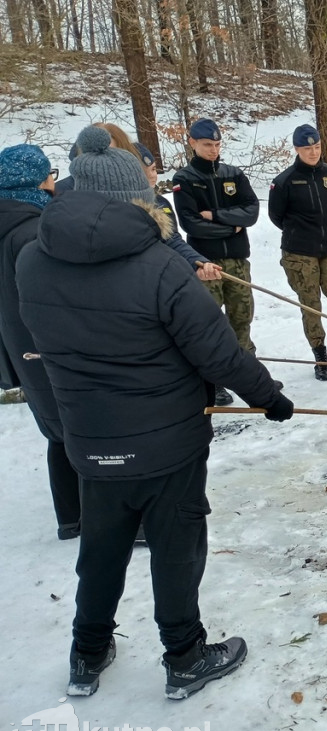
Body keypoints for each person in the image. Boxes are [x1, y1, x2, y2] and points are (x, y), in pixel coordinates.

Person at [16, 126, 295, 699]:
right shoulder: (161, 268)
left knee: (102, 547)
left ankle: (86, 653)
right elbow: (219, 352)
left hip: (89, 439)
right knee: (175, 547)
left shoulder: (32, 263)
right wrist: (270, 397)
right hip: (167, 443)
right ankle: (186, 654)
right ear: (135, 203)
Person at [0, 143, 81, 540]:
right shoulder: (33, 230)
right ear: (35, 180)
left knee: (57, 430)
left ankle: (70, 517)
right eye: (49, 173)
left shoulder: (8, 224)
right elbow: (55, 298)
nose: (54, 180)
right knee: (81, 429)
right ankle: (96, 517)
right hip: (52, 347)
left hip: (20, 348)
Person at [172, 118, 261, 406]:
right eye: (207, 145)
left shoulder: (232, 174)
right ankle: (214, 381)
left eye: (217, 144)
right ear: (193, 143)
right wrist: (231, 225)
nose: (213, 150)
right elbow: (191, 224)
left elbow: (251, 212)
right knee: (211, 322)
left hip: (237, 258)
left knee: (242, 316)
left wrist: (217, 215)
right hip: (204, 262)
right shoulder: (184, 179)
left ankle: (252, 375)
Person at [268, 124, 327, 381]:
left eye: (317, 147)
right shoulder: (285, 181)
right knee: (311, 306)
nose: (313, 153)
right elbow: (276, 216)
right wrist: (302, 233)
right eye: (307, 148)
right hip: (299, 253)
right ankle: (320, 358)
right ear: (297, 149)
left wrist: (325, 230)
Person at [134, 141, 221, 282]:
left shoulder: (161, 203)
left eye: (154, 169)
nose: (153, 176)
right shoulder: (116, 207)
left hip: (161, 281)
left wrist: (197, 263)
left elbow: (172, 240)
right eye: (144, 171)